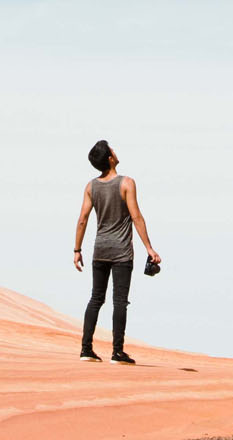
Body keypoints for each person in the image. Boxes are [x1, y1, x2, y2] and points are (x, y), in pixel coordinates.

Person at [71, 140, 160, 365]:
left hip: (99, 250)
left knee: (95, 298)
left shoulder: (91, 186)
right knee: (120, 301)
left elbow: (82, 219)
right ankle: (117, 352)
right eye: (112, 150)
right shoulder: (126, 183)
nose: (115, 152)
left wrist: (77, 249)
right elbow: (136, 216)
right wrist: (149, 247)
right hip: (121, 252)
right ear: (110, 158)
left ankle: (85, 349)